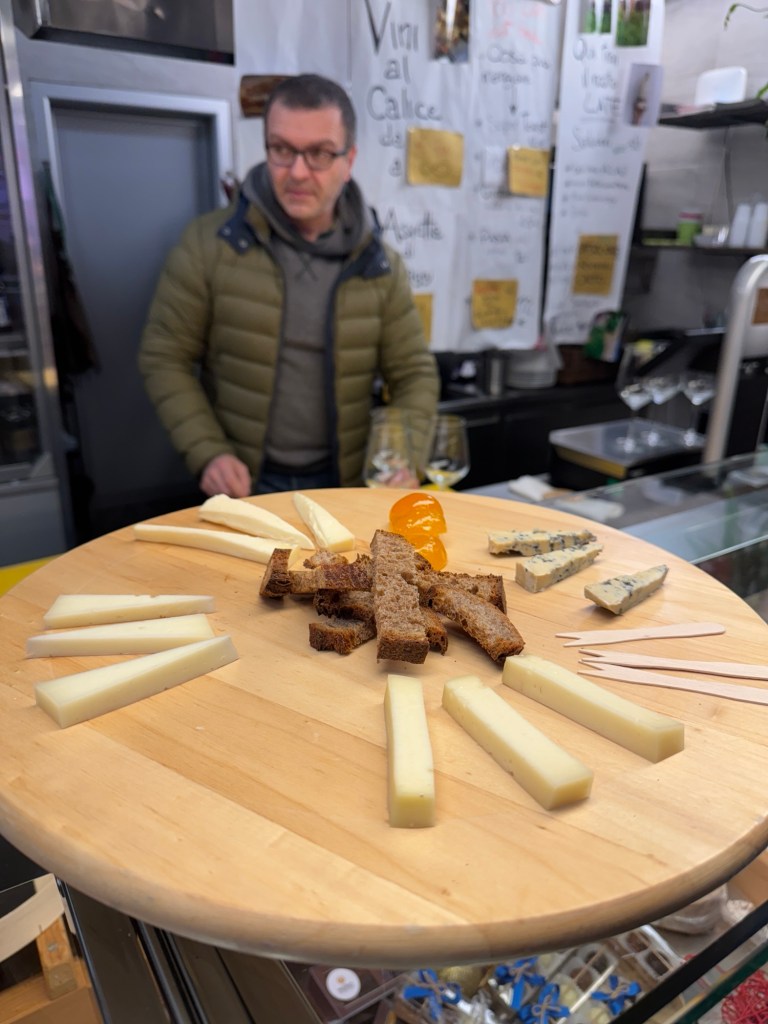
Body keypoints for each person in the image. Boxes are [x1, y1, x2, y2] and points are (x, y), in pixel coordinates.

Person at [138, 73, 439, 497]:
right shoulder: (210, 245)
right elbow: (164, 356)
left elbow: (414, 375)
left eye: (319, 154)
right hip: (246, 485)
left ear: (349, 160)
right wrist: (208, 452)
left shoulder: (380, 266)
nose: (297, 172)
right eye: (282, 150)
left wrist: (404, 456)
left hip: (347, 485)